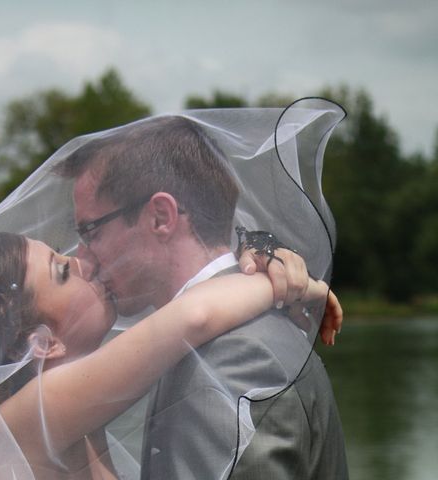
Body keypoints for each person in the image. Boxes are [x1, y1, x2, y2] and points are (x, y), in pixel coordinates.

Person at [0, 231, 333, 480]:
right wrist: (301, 286)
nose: (82, 263)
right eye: (62, 272)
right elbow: (195, 316)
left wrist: (256, 251)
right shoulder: (34, 412)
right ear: (43, 342)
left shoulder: (65, 419)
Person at [57, 106, 349, 479]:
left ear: (161, 217)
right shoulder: (203, 338)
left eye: (91, 231)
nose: (84, 257)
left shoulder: (236, 358)